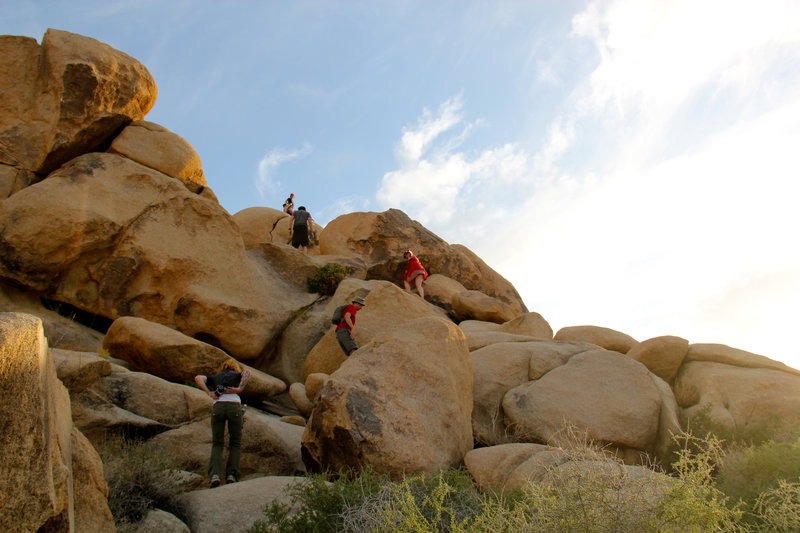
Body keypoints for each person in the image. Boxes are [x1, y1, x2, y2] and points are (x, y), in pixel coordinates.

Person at [194, 360, 251, 488]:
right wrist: (239, 388)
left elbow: (198, 378)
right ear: (235, 367)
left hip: (218, 407)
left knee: (217, 443)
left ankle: (215, 475)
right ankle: (232, 475)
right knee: (235, 443)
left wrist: (209, 392)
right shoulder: (237, 375)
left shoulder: (216, 377)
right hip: (234, 407)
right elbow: (247, 372)